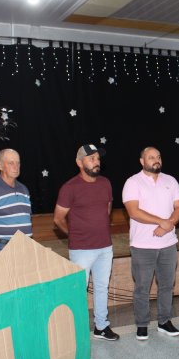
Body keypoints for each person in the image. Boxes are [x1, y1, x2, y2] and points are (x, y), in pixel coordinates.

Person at [54, 144, 119, 341]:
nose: (96, 162)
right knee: (77, 291)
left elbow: (107, 209)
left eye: (97, 158)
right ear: (79, 163)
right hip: (81, 249)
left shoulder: (105, 183)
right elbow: (58, 219)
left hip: (104, 247)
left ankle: (101, 326)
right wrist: (73, 235)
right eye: (91, 159)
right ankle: (76, 331)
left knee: (101, 288)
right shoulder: (69, 188)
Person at [122, 147, 179, 340]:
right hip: (142, 246)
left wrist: (168, 225)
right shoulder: (133, 182)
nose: (156, 160)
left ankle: (165, 321)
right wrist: (161, 221)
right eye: (151, 157)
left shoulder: (171, 181)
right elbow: (133, 212)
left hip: (168, 244)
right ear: (142, 161)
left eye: (158, 156)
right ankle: (142, 325)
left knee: (167, 286)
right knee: (142, 288)